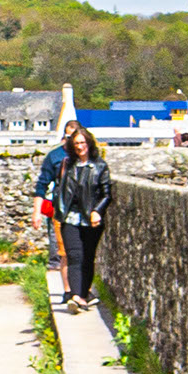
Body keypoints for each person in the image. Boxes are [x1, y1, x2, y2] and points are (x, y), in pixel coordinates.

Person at [35, 126, 112, 313]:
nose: (80, 146)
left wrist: (97, 211)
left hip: (91, 218)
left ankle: (83, 294)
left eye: (83, 142)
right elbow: (45, 185)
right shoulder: (66, 165)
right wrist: (41, 210)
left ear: (89, 143)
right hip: (69, 217)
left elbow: (106, 194)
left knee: (88, 257)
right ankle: (76, 297)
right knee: (74, 256)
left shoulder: (100, 167)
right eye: (76, 143)